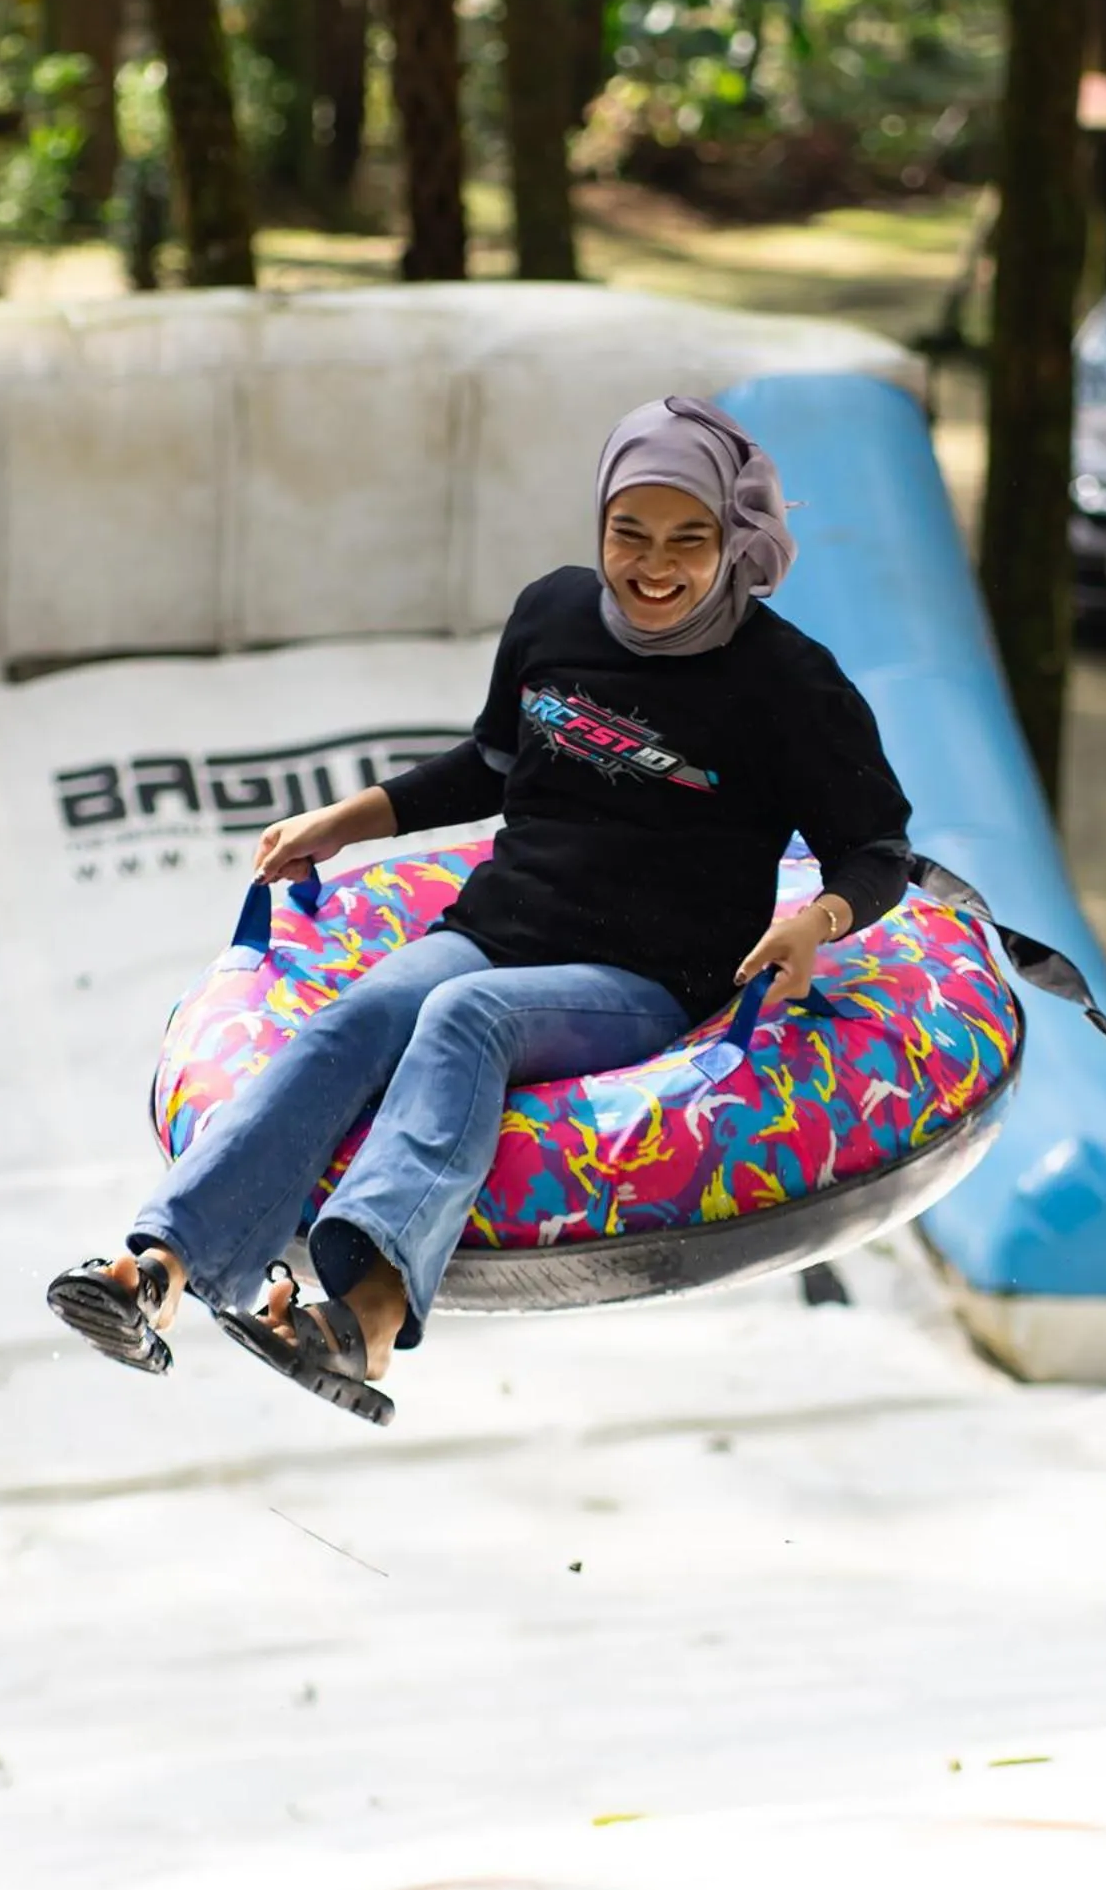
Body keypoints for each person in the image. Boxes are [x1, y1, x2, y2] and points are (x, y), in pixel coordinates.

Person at [46, 395, 916, 1423]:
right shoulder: (552, 614)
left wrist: (814, 922)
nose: (653, 565)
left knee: (468, 1017)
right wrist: (349, 819)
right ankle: (160, 1266)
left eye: (689, 538)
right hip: (500, 925)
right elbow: (491, 765)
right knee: (366, 1012)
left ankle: (366, 1321)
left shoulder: (787, 682)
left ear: (733, 537)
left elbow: (875, 847)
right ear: (598, 522)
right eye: (628, 532)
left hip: (650, 975)